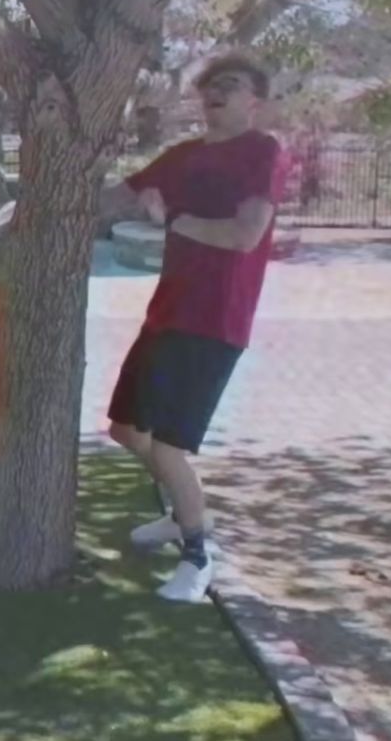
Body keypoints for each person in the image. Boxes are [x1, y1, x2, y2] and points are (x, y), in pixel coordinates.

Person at [101, 51, 289, 603]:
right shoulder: (181, 156)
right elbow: (116, 197)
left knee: (167, 448)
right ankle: (187, 512)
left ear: (254, 101)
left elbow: (245, 236)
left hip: (214, 320)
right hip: (166, 312)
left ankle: (198, 557)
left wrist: (173, 219)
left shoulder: (263, 152)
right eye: (209, 86)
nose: (215, 94)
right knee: (126, 431)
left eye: (229, 86)